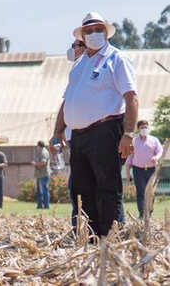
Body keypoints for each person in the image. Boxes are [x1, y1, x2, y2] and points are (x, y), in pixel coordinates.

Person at [50, 12, 138, 237]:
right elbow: (67, 100)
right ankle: (86, 237)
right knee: (81, 190)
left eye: (98, 29)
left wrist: (128, 133)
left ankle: (109, 237)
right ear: (82, 36)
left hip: (106, 130)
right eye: (88, 31)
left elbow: (131, 98)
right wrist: (57, 131)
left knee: (107, 188)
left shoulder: (117, 59)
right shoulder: (79, 65)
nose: (93, 34)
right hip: (78, 136)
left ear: (106, 33)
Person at [65, 39, 85, 224]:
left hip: (85, 136)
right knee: (75, 185)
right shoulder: (76, 70)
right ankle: (78, 224)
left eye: (74, 46)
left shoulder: (86, 68)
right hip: (74, 138)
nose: (71, 49)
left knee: (80, 184)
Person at [126, 120, 163, 218]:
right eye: (142, 128)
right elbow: (129, 158)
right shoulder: (133, 141)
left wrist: (156, 157)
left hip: (151, 170)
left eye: (146, 127)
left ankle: (149, 213)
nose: (144, 129)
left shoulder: (154, 140)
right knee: (141, 192)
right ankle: (142, 214)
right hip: (138, 170)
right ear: (138, 129)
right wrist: (127, 173)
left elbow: (160, 151)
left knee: (151, 192)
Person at [32, 141, 52, 209]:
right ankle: (40, 205)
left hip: (44, 174)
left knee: (44, 190)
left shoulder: (44, 152)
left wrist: (35, 164)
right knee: (40, 191)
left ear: (39, 146)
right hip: (40, 174)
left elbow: (43, 162)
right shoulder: (41, 152)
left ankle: (46, 205)